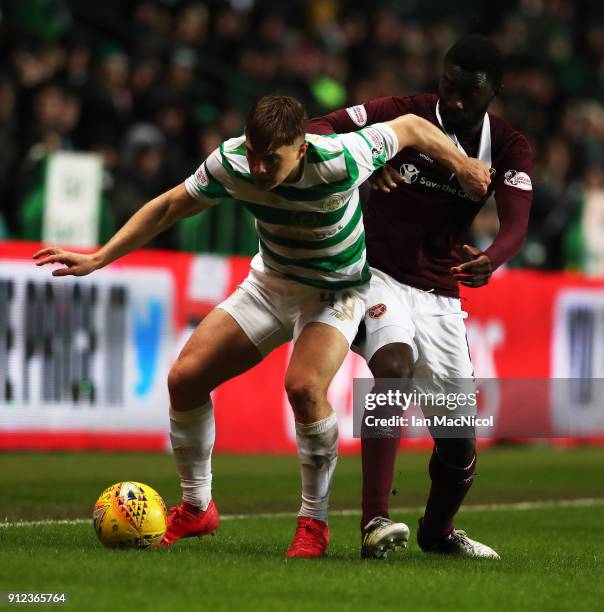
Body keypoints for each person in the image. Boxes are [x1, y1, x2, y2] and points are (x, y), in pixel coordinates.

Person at [34, 95, 490, 558]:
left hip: (334, 292)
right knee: (185, 379)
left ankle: (314, 523)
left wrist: (462, 164)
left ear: (302, 150)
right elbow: (171, 206)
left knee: (305, 387)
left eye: (271, 159)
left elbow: (412, 125)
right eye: (253, 152)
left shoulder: (344, 156)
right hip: (271, 283)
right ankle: (197, 506)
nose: (258, 168)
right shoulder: (232, 162)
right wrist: (99, 256)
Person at [309, 35, 533, 560]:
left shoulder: (506, 146)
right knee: (393, 363)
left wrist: (493, 258)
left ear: (493, 92)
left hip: (441, 293)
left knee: (459, 444)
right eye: (448, 86)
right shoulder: (402, 114)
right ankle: (374, 524)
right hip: (376, 275)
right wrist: (361, 158)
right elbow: (318, 129)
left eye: (468, 94)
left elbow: (517, 224)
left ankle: (437, 533)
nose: (454, 101)